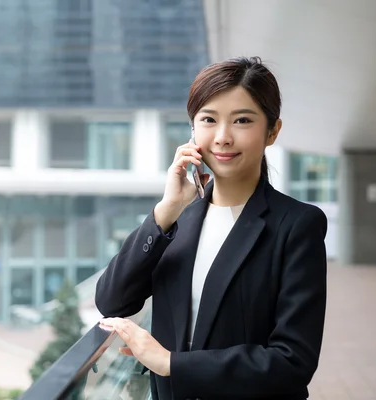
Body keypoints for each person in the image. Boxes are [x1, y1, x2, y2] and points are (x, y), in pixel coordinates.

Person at [95, 57, 328, 400]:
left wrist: (171, 363)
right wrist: (166, 210)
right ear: (192, 130)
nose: (222, 137)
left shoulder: (296, 226)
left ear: (272, 131)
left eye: (242, 120)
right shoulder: (179, 220)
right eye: (208, 119)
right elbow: (112, 300)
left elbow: (292, 362)